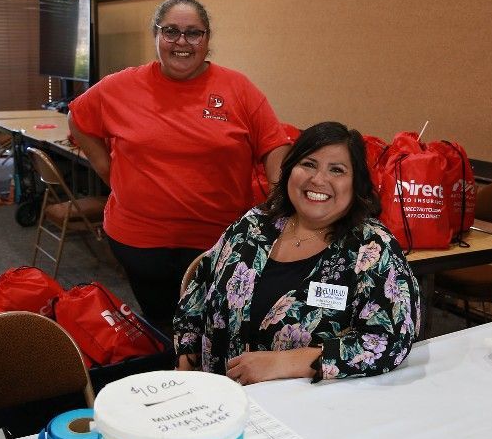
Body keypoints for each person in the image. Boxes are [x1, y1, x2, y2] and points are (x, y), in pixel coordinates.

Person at [68, 0, 291, 334]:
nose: (182, 42)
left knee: (216, 329)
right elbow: (78, 118)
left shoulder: (237, 88)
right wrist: (109, 171)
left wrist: (278, 201)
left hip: (217, 242)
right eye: (171, 31)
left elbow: (274, 143)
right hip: (139, 241)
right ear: (156, 35)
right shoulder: (120, 86)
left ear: (207, 39)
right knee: (162, 328)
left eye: (193, 33)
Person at [174, 122, 421, 384]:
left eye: (336, 170)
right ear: (290, 170)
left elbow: (390, 339)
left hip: (307, 408)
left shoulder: (372, 248)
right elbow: (200, 285)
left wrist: (287, 362)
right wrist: (186, 364)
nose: (318, 179)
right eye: (308, 164)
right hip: (218, 399)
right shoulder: (254, 224)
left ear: (356, 184)